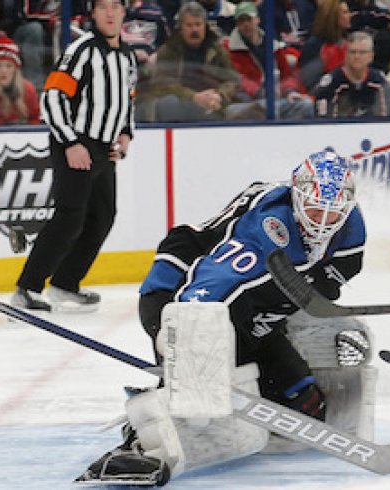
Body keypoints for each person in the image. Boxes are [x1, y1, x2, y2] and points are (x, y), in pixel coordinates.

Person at [77, 151, 374, 486]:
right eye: (316, 208)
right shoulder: (267, 229)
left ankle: (212, 395)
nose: (323, 220)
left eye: (332, 211)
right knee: (200, 402)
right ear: (296, 197)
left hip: (250, 312)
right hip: (181, 291)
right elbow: (206, 289)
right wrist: (180, 345)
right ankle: (140, 439)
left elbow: (316, 293)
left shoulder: (351, 231)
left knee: (306, 407)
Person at [11, 0, 137, 312]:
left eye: (115, 7)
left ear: (124, 13)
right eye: (103, 7)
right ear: (93, 14)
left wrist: (125, 132)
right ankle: (27, 288)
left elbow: (128, 98)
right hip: (75, 143)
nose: (109, 13)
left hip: (104, 148)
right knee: (70, 216)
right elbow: (52, 97)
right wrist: (70, 142)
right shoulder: (81, 50)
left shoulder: (128, 56)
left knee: (102, 218)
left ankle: (66, 283)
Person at [145, 1, 240, 122]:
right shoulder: (168, 50)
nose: (194, 29)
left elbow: (233, 80)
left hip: (212, 104)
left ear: (205, 26)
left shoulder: (217, 50)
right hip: (181, 103)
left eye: (198, 24)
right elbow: (161, 84)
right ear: (181, 28)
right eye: (189, 25)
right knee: (168, 103)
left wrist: (219, 95)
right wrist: (193, 97)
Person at [222, 2, 314, 120]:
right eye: (241, 21)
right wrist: (262, 92)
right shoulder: (228, 48)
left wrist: (289, 91)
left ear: (257, 20)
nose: (245, 24)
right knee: (234, 111)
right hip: (247, 102)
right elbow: (235, 79)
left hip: (275, 100)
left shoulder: (273, 45)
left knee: (305, 105)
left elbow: (287, 75)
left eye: (249, 19)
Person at [313, 31, 390, 117]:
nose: (357, 57)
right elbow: (323, 119)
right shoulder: (331, 81)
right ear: (346, 55)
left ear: (371, 56)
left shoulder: (379, 80)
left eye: (362, 52)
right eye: (353, 52)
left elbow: (388, 116)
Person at [299, 0, 351, 91]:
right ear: (333, 17)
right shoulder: (314, 46)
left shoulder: (349, 42)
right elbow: (310, 82)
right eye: (345, 12)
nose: (349, 16)